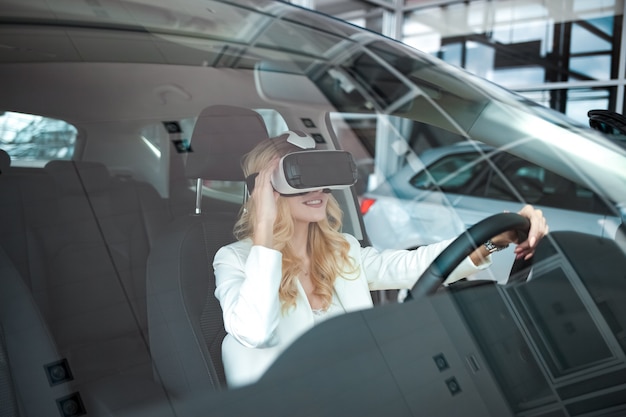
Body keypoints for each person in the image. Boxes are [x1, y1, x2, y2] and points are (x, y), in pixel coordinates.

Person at [213, 132, 549, 388]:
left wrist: (490, 237)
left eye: (322, 174)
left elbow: (414, 265)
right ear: (265, 190)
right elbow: (254, 332)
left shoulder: (341, 249)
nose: (317, 189)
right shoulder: (235, 259)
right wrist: (264, 230)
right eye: (300, 177)